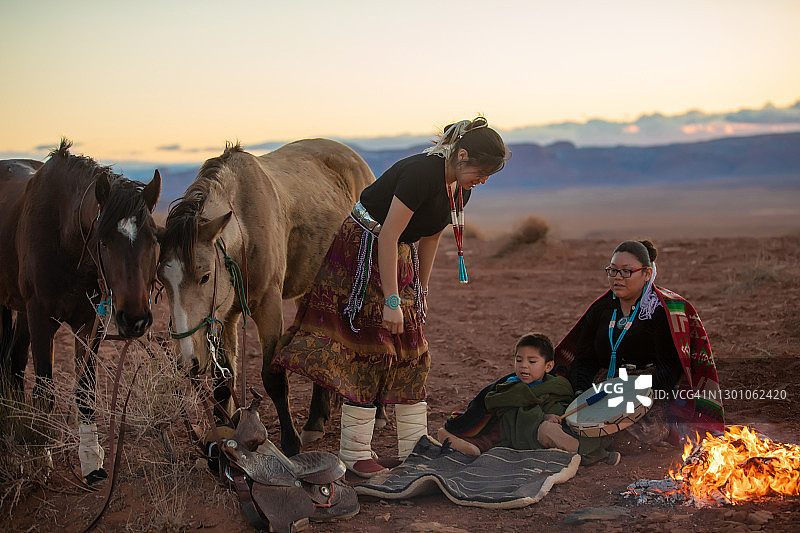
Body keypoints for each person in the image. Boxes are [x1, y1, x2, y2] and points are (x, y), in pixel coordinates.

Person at [273, 117, 510, 477]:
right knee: (370, 345)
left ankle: (414, 447)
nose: (484, 179)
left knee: (411, 343)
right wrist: (392, 301)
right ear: (461, 155)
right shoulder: (420, 174)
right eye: (482, 170)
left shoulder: (461, 188)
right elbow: (387, 235)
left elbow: (430, 237)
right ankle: (355, 454)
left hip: (396, 253)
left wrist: (419, 292)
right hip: (364, 249)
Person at [554, 239, 725, 446]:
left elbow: (669, 371)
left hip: (650, 392)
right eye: (612, 271)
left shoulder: (662, 312)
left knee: (630, 438)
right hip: (604, 386)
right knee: (560, 410)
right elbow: (584, 359)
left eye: (626, 272)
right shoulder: (601, 309)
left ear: (646, 274)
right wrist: (582, 395)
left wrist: (631, 395)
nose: (617, 278)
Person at [438, 332, 619, 465]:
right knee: (538, 426)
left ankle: (589, 449)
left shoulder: (557, 384)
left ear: (548, 366)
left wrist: (552, 413)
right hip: (525, 429)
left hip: (558, 423)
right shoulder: (510, 386)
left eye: (532, 362)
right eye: (519, 361)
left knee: (571, 421)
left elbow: (563, 401)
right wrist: (542, 418)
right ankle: (588, 453)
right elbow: (494, 402)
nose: (524, 366)